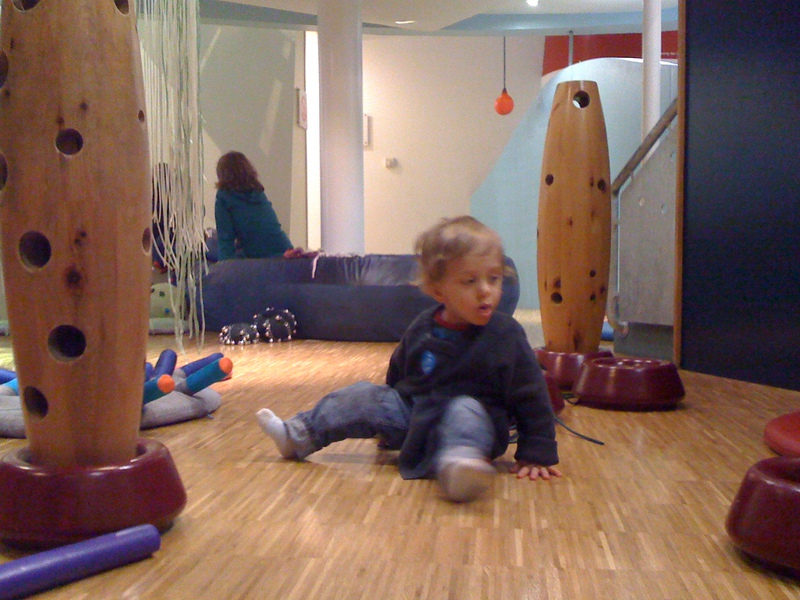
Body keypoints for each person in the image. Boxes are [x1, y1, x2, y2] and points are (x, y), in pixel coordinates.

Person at [256, 216, 561, 502]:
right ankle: (298, 435)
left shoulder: (506, 334)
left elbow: (531, 395)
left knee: (464, 410)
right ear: (438, 290)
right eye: (470, 281)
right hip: (418, 417)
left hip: (477, 426)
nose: (485, 291)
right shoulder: (422, 328)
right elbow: (399, 373)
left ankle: (459, 467)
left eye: (493, 279)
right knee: (363, 396)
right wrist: (384, 418)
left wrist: (537, 452)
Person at [214, 151, 294, 260]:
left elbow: (225, 240)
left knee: (210, 248)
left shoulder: (224, 197)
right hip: (285, 247)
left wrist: (224, 267)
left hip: (263, 257)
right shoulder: (257, 191)